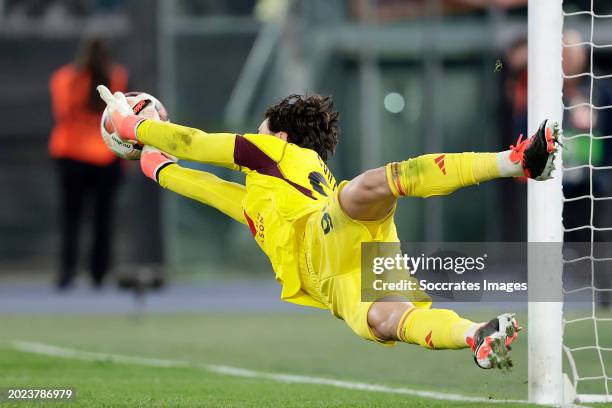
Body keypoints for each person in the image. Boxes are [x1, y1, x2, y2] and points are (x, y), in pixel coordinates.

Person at [99, 88, 560, 369]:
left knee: (370, 187)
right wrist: (156, 167)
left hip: (327, 232)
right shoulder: (259, 201)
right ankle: (476, 335)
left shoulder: (274, 154)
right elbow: (206, 187)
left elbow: (192, 142)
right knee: (386, 320)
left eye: (258, 130)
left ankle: (515, 160)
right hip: (336, 279)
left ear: (277, 137)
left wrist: (134, 125)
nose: (251, 136)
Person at [49, 38, 128, 289]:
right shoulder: (118, 77)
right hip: (106, 156)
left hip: (70, 154)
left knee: (71, 216)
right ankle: (99, 273)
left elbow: (62, 114)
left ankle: (67, 272)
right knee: (103, 218)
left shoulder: (64, 78)